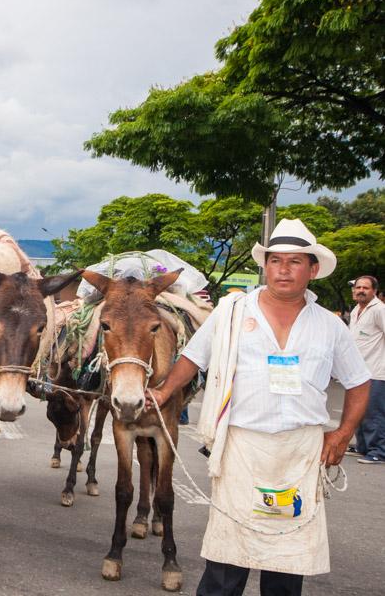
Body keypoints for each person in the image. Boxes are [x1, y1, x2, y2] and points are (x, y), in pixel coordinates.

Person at [147, 219, 371, 596]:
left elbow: (359, 382)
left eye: (295, 261)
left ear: (312, 269)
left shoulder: (330, 327)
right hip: (242, 447)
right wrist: (164, 391)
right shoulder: (232, 311)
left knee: (287, 560)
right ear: (264, 266)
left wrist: (343, 433)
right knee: (226, 560)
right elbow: (192, 358)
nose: (284, 269)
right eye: (276, 260)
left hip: (300, 452)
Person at [347, 276, 384, 464]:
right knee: (360, 410)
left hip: (377, 371)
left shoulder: (379, 310)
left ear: (374, 291)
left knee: (373, 413)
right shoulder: (356, 310)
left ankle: (378, 450)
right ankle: (363, 446)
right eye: (358, 287)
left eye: (365, 288)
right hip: (359, 372)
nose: (360, 290)